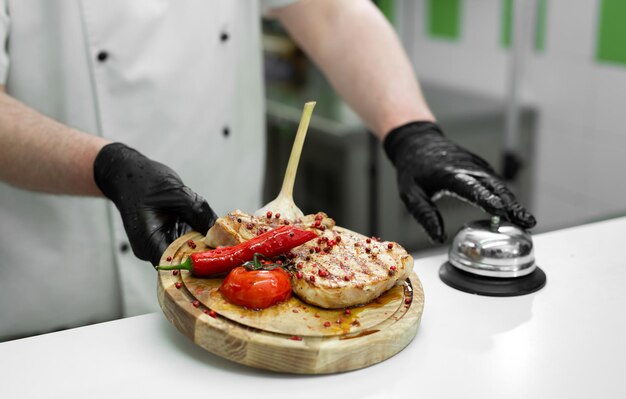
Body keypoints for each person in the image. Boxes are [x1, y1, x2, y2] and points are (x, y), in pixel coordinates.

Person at [0, 0, 535, 342]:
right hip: (60, 287)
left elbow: (330, 11)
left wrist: (412, 131)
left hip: (246, 292)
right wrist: (105, 166)